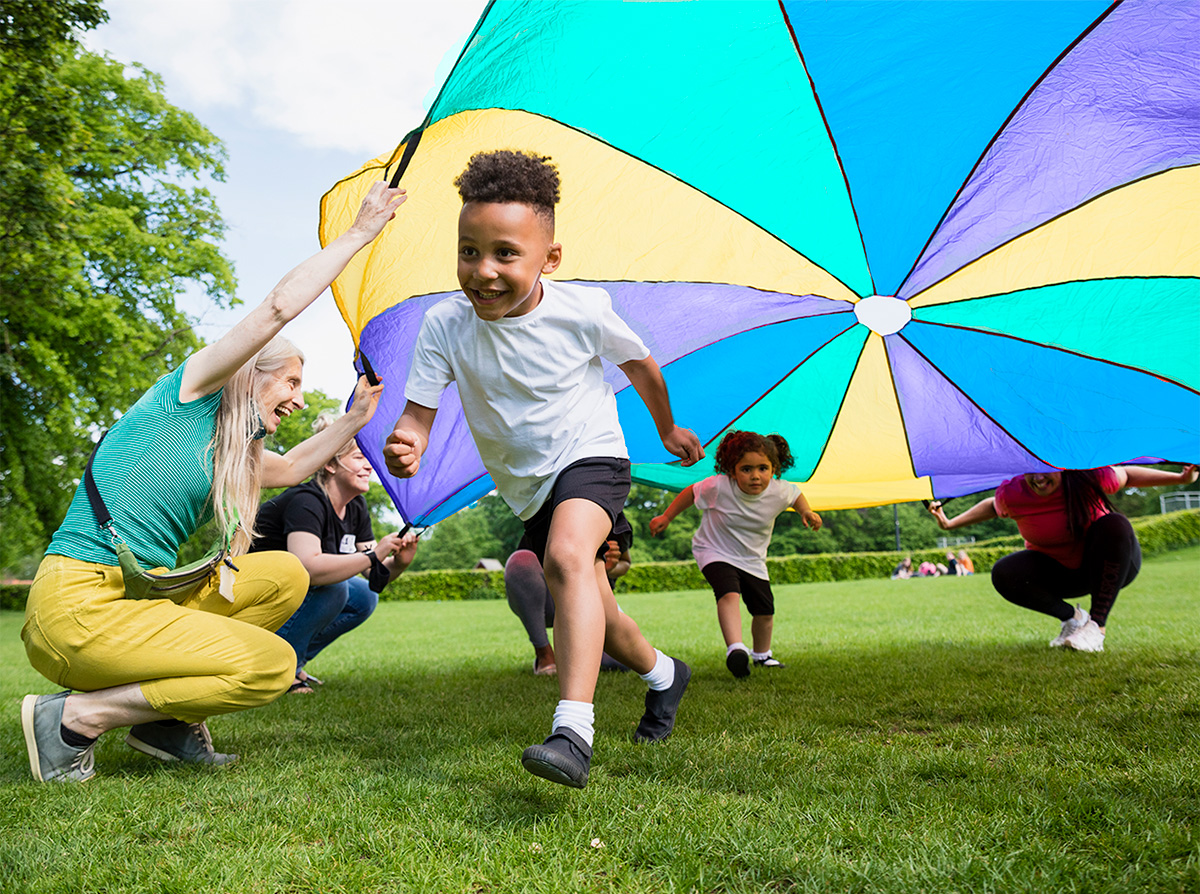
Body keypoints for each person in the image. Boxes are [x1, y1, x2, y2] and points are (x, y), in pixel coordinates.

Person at [20, 181, 408, 783]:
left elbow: (297, 466)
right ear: (252, 374)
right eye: (292, 385)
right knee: (271, 666)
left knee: (282, 574)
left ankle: (162, 724)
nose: (300, 402)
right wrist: (359, 234)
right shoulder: (189, 396)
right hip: (77, 610)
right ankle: (76, 718)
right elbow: (278, 306)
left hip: (137, 601)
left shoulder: (232, 450)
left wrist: (358, 418)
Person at [383, 150, 703, 789]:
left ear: (548, 259)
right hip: (526, 484)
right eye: (468, 251)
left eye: (505, 253)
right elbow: (417, 414)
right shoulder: (445, 324)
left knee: (564, 559)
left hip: (591, 454)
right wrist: (406, 441)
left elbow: (640, 364)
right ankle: (665, 675)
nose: (484, 271)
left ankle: (572, 732)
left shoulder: (582, 310)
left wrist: (666, 427)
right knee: (596, 608)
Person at [928, 464, 1198, 652]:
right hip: (1061, 574)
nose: (1039, 478)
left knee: (1114, 523)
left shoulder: (1089, 478)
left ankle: (1096, 628)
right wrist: (949, 524)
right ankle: (1072, 619)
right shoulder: (1014, 492)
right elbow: (991, 506)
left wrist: (1180, 479)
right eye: (1030, 470)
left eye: (1046, 469)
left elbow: (1126, 475)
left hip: (1110, 568)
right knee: (1004, 572)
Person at [251, 413, 420, 693]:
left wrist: (398, 563)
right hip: (253, 588)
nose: (369, 467)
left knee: (364, 596)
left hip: (291, 590)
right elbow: (308, 567)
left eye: (369, 459)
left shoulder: (356, 507)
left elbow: (372, 575)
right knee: (335, 588)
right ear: (330, 464)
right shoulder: (307, 500)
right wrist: (374, 555)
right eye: (359, 458)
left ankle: (291, 662)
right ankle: (276, 670)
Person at [649, 431, 822, 679]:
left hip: (753, 560)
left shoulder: (779, 491)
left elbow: (795, 496)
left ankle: (762, 655)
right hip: (713, 551)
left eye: (763, 468)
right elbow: (691, 492)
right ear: (732, 470)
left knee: (764, 611)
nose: (755, 475)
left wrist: (806, 512)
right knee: (728, 593)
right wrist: (666, 516)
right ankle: (736, 649)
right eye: (746, 469)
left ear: (774, 469)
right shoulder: (719, 486)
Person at [506, 539, 632, 676]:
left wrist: (609, 567)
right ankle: (544, 653)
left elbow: (625, 562)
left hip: (593, 599)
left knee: (623, 660)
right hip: (552, 597)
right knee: (520, 561)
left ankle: (582, 649)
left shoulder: (617, 522)